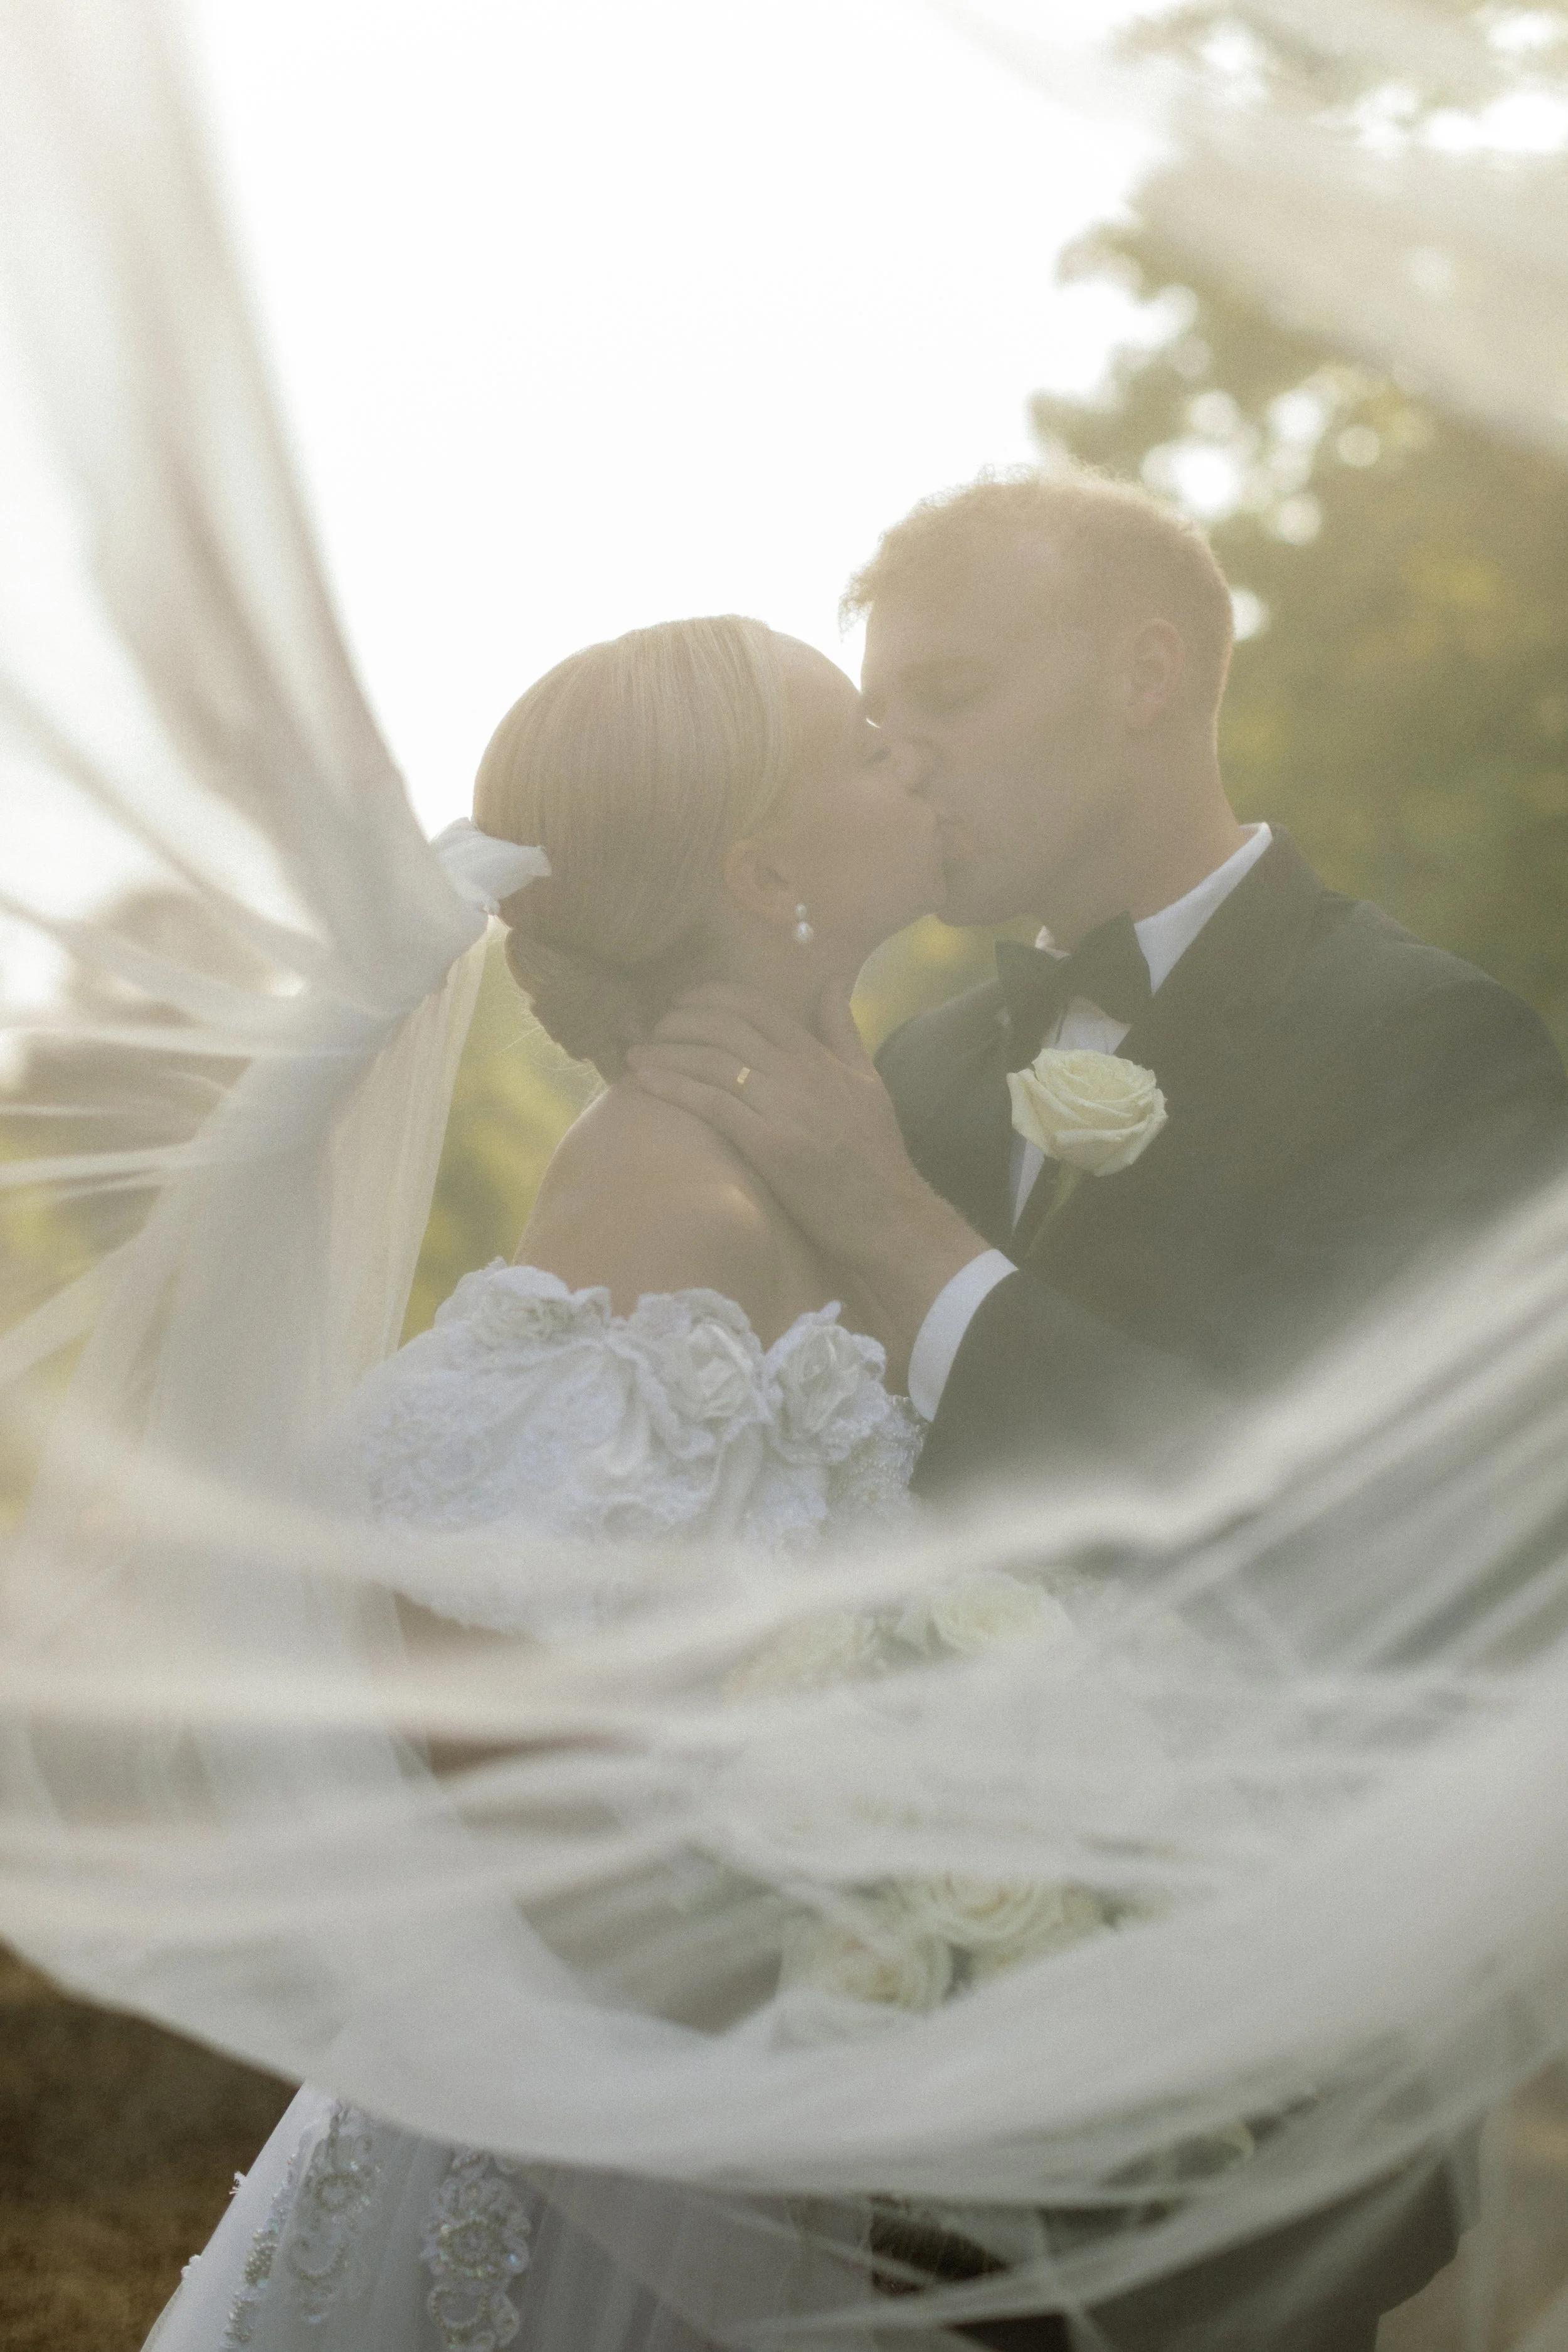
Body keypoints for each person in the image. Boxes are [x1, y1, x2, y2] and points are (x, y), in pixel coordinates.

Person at [629, 470, 1568, 2350]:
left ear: (1144, 676)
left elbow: (1336, 1526)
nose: (901, 750)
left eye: (950, 694)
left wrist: (901, 1234)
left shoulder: (1434, 1048)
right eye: (878, 713)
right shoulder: (914, 1055)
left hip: (1249, 2114)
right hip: (869, 2062)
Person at [140, 613, 938, 2352]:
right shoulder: (669, 1188)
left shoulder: (830, 1135)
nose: (909, 748)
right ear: (759, 867)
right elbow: (461, 1688)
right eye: (862, 738)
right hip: (610, 2176)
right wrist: (749, 2038)